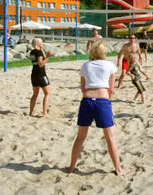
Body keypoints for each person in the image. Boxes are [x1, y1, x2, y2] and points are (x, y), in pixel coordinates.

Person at [67, 41, 129, 176]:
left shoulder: (85, 66)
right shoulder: (110, 65)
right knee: (110, 138)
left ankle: (71, 167)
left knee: (80, 137)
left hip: (87, 101)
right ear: (104, 52)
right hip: (102, 101)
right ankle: (118, 169)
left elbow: (83, 89)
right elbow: (111, 88)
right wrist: (105, 99)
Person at [29, 38, 53, 117]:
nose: (42, 43)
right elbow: (41, 64)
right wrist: (48, 56)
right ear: (37, 43)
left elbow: (40, 59)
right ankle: (44, 113)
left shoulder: (32, 52)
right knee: (47, 94)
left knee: (35, 94)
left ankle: (31, 112)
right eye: (41, 42)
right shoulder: (38, 52)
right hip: (41, 75)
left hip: (34, 74)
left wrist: (42, 50)